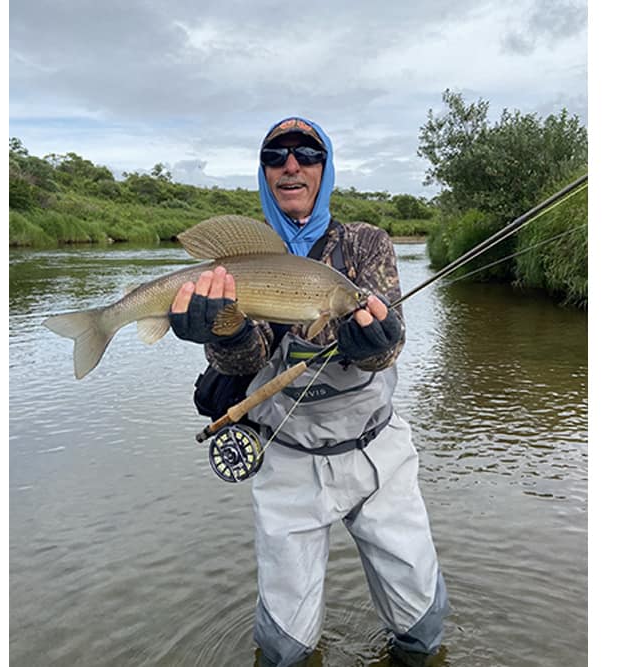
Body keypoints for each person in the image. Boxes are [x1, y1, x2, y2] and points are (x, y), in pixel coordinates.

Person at [169, 117, 449, 666]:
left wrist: (373, 343)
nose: (291, 165)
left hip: (377, 454)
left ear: (326, 167)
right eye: (276, 156)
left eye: (307, 154)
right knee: (284, 644)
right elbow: (245, 361)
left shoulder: (366, 243)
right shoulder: (240, 265)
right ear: (264, 172)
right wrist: (221, 331)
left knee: (421, 622)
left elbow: (388, 350)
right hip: (287, 458)